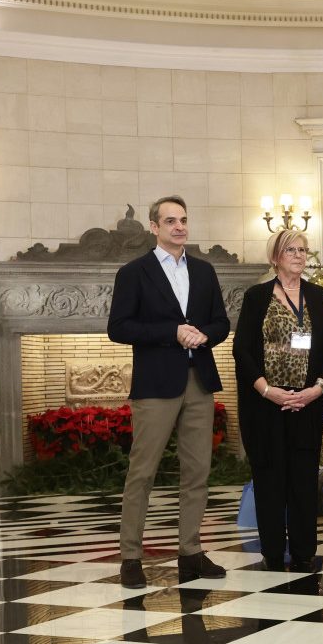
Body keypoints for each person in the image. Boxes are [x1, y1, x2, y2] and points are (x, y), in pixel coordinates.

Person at [107, 195, 230, 588]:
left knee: (197, 472)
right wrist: (171, 333)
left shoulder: (205, 271)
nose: (179, 226)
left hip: (199, 380)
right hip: (157, 384)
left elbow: (221, 324)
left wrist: (202, 334)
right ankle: (130, 558)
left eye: (184, 219)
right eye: (170, 221)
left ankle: (190, 552)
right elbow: (119, 328)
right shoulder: (134, 272)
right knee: (142, 472)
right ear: (154, 228)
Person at [234, 229, 323, 572]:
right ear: (275, 256)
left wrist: (317, 388)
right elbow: (243, 351)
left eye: (303, 250)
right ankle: (274, 553)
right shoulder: (257, 296)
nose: (298, 255)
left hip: (307, 403)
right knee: (270, 479)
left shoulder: (317, 295)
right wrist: (267, 390)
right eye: (290, 250)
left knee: (303, 479)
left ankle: (305, 550)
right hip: (267, 404)